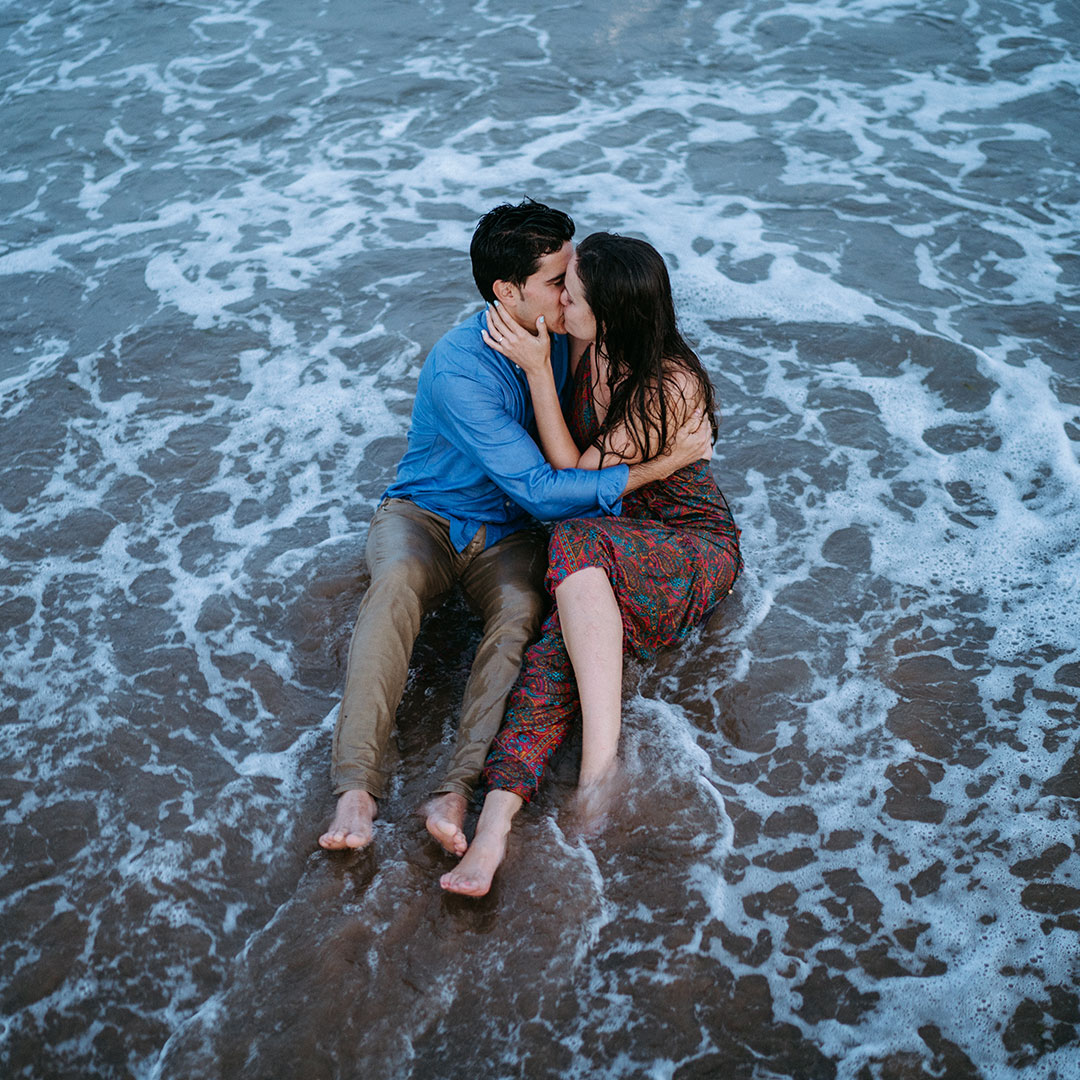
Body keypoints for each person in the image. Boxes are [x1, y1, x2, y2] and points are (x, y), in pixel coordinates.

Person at [319, 204, 712, 855]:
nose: (569, 292)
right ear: (508, 291)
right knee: (393, 591)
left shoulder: (568, 332)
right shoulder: (460, 367)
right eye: (558, 280)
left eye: (570, 277)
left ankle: (455, 790)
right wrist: (658, 469)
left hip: (509, 533)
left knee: (519, 615)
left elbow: (640, 363)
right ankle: (356, 791)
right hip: (427, 515)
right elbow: (540, 488)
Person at [440, 232, 743, 896]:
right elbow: (576, 485)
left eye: (569, 294)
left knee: (572, 543)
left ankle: (601, 770)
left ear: (606, 313)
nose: (558, 300)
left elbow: (569, 473)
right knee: (553, 653)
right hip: (606, 534)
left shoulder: (670, 384)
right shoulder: (583, 341)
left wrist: (539, 376)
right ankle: (490, 831)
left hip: (686, 547)